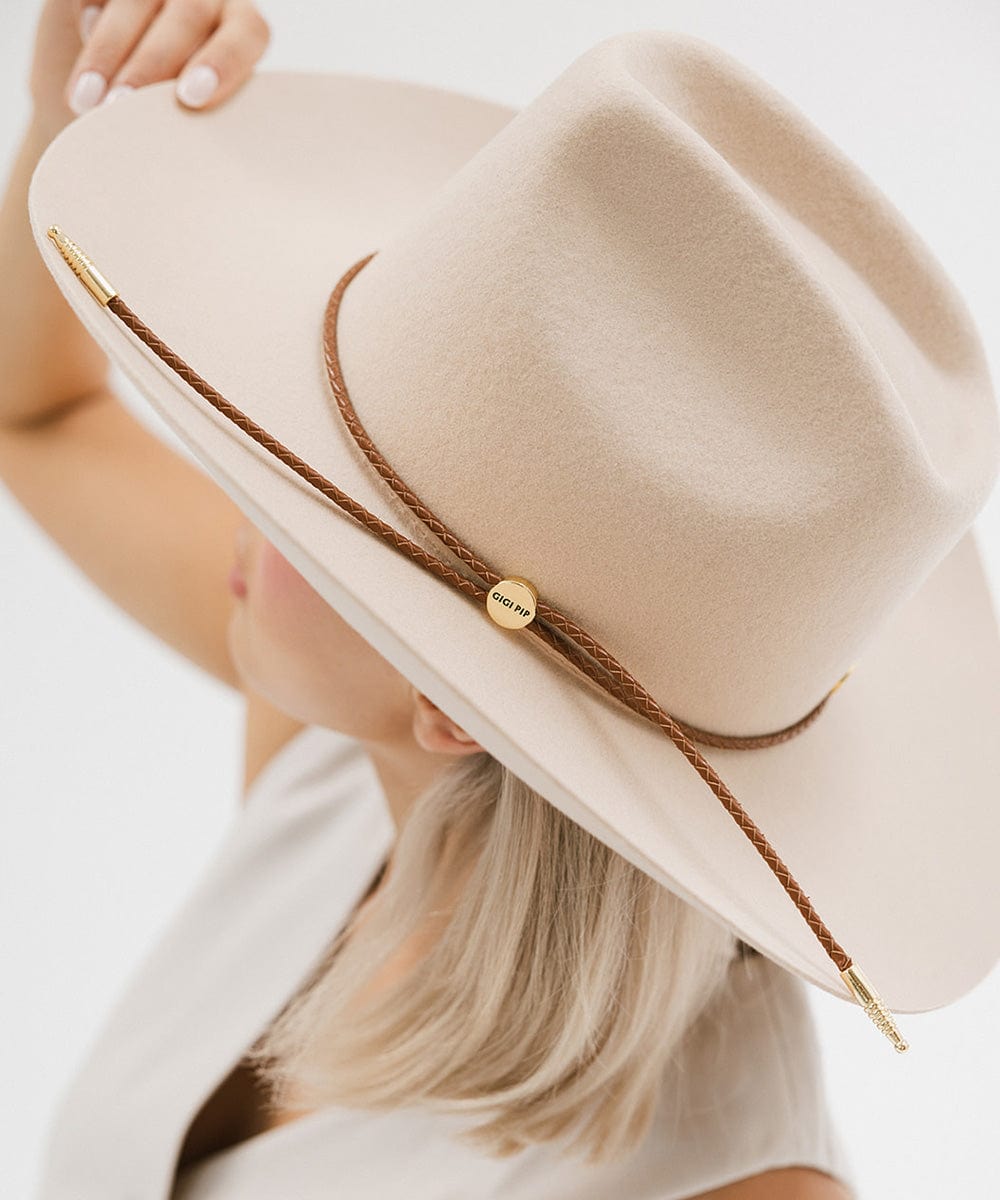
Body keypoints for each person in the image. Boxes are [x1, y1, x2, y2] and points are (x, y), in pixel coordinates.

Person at [7, 5, 999, 1199]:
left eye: (325, 520)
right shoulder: (350, 754)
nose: (247, 485)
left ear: (455, 704)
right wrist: (68, 106)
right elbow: (38, 418)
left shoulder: (735, 1179)